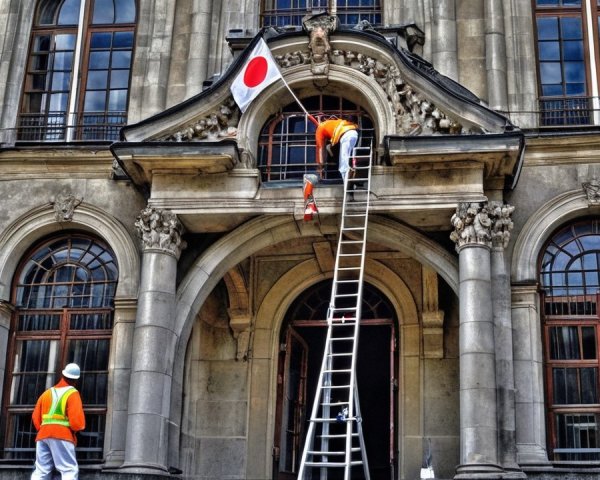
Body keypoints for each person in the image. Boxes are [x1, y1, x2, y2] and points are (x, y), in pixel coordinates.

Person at [31, 363, 85, 480]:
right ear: (76, 380)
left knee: (41, 471)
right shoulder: (73, 393)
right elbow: (77, 423)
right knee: (69, 470)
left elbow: (35, 417)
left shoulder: (46, 393)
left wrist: (44, 429)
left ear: (63, 375)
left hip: (42, 435)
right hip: (62, 436)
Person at [303, 115, 359, 220]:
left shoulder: (320, 129)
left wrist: (320, 165)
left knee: (343, 165)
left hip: (345, 136)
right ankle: (351, 172)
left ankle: (347, 185)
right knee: (344, 155)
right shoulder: (337, 122)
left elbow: (320, 147)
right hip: (355, 134)